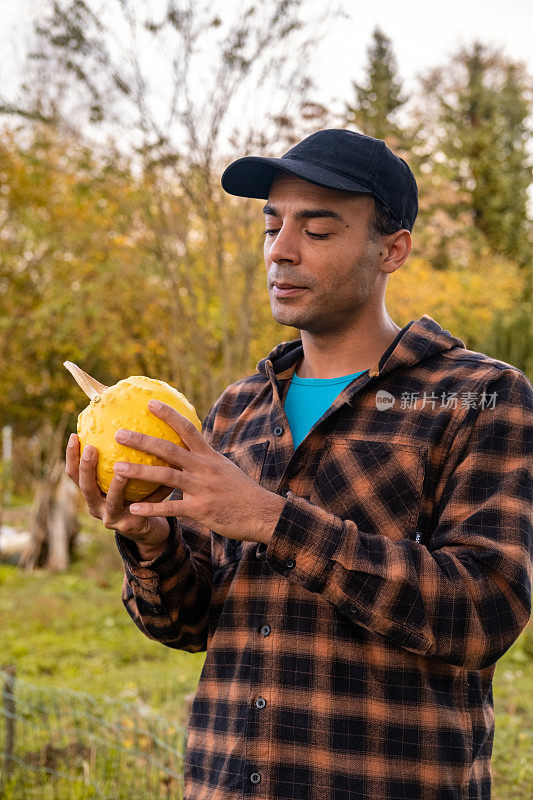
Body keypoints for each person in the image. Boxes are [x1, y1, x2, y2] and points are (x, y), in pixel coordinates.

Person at [66, 129, 533, 800]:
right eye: (270, 227)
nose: (280, 252)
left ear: (391, 249)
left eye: (316, 231)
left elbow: (485, 611)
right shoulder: (236, 410)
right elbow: (186, 624)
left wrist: (270, 519)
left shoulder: (477, 396)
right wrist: (149, 541)